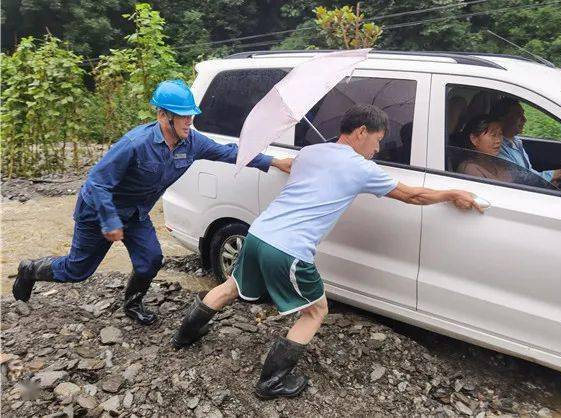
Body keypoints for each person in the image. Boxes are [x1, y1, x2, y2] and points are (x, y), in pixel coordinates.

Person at [171, 104, 482, 400]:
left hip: (258, 233)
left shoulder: (310, 152)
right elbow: (412, 196)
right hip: (288, 249)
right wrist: (451, 193)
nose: (376, 150)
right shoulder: (362, 168)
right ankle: (272, 381)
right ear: (361, 131)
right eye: (376, 141)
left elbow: (301, 169)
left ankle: (183, 336)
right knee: (316, 310)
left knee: (230, 287)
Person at [12, 79, 292, 326]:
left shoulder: (191, 142)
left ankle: (132, 304)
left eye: (190, 116)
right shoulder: (135, 143)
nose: (189, 122)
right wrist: (109, 221)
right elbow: (97, 182)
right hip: (99, 212)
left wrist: (273, 161)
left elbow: (229, 152)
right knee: (77, 271)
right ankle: (29, 269)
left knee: (150, 261)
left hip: (135, 214)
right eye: (183, 117)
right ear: (163, 115)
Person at [492, 98, 561, 183]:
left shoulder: (516, 141)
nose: (525, 119)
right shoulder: (497, 148)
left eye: (523, 114)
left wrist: (551, 180)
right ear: (503, 118)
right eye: (518, 115)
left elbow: (529, 172)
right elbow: (519, 179)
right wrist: (560, 173)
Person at [456, 114, 512, 182]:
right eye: (493, 135)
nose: (499, 140)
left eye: (500, 134)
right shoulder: (470, 169)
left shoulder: (496, 161)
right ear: (474, 139)